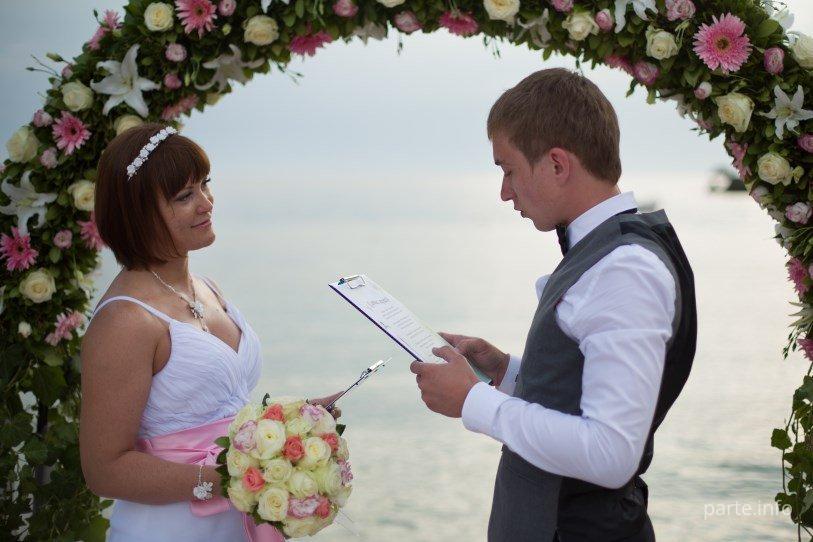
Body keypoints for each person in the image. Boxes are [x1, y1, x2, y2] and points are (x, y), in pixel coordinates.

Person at [410, 68, 697, 541]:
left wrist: (473, 401)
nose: (505, 192)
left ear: (558, 164)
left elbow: (610, 452)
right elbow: (578, 391)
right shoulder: (609, 252)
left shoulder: (625, 269)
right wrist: (506, 372)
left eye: (508, 170)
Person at [79, 123, 341, 541]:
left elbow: (216, 409)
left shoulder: (207, 288)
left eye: (205, 184)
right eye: (185, 196)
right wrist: (236, 476)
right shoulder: (125, 321)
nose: (206, 203)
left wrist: (290, 426)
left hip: (235, 526)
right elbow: (104, 470)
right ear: (139, 214)